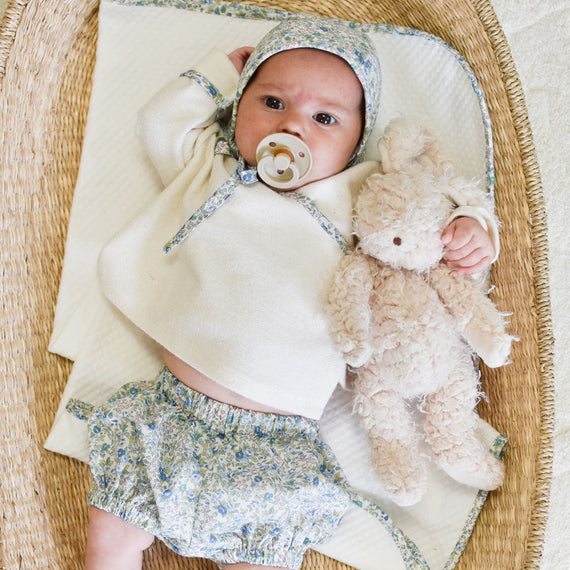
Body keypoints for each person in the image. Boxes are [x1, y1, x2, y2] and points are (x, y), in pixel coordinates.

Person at [67, 16, 498, 570]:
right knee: (113, 521)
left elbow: (426, 214)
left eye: (324, 118)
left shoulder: (360, 198)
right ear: (239, 108)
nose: (294, 126)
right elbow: (159, 123)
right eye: (272, 103)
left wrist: (471, 225)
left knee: (262, 552)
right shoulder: (214, 170)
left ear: (356, 142)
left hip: (277, 441)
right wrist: (222, 72)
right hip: (174, 410)